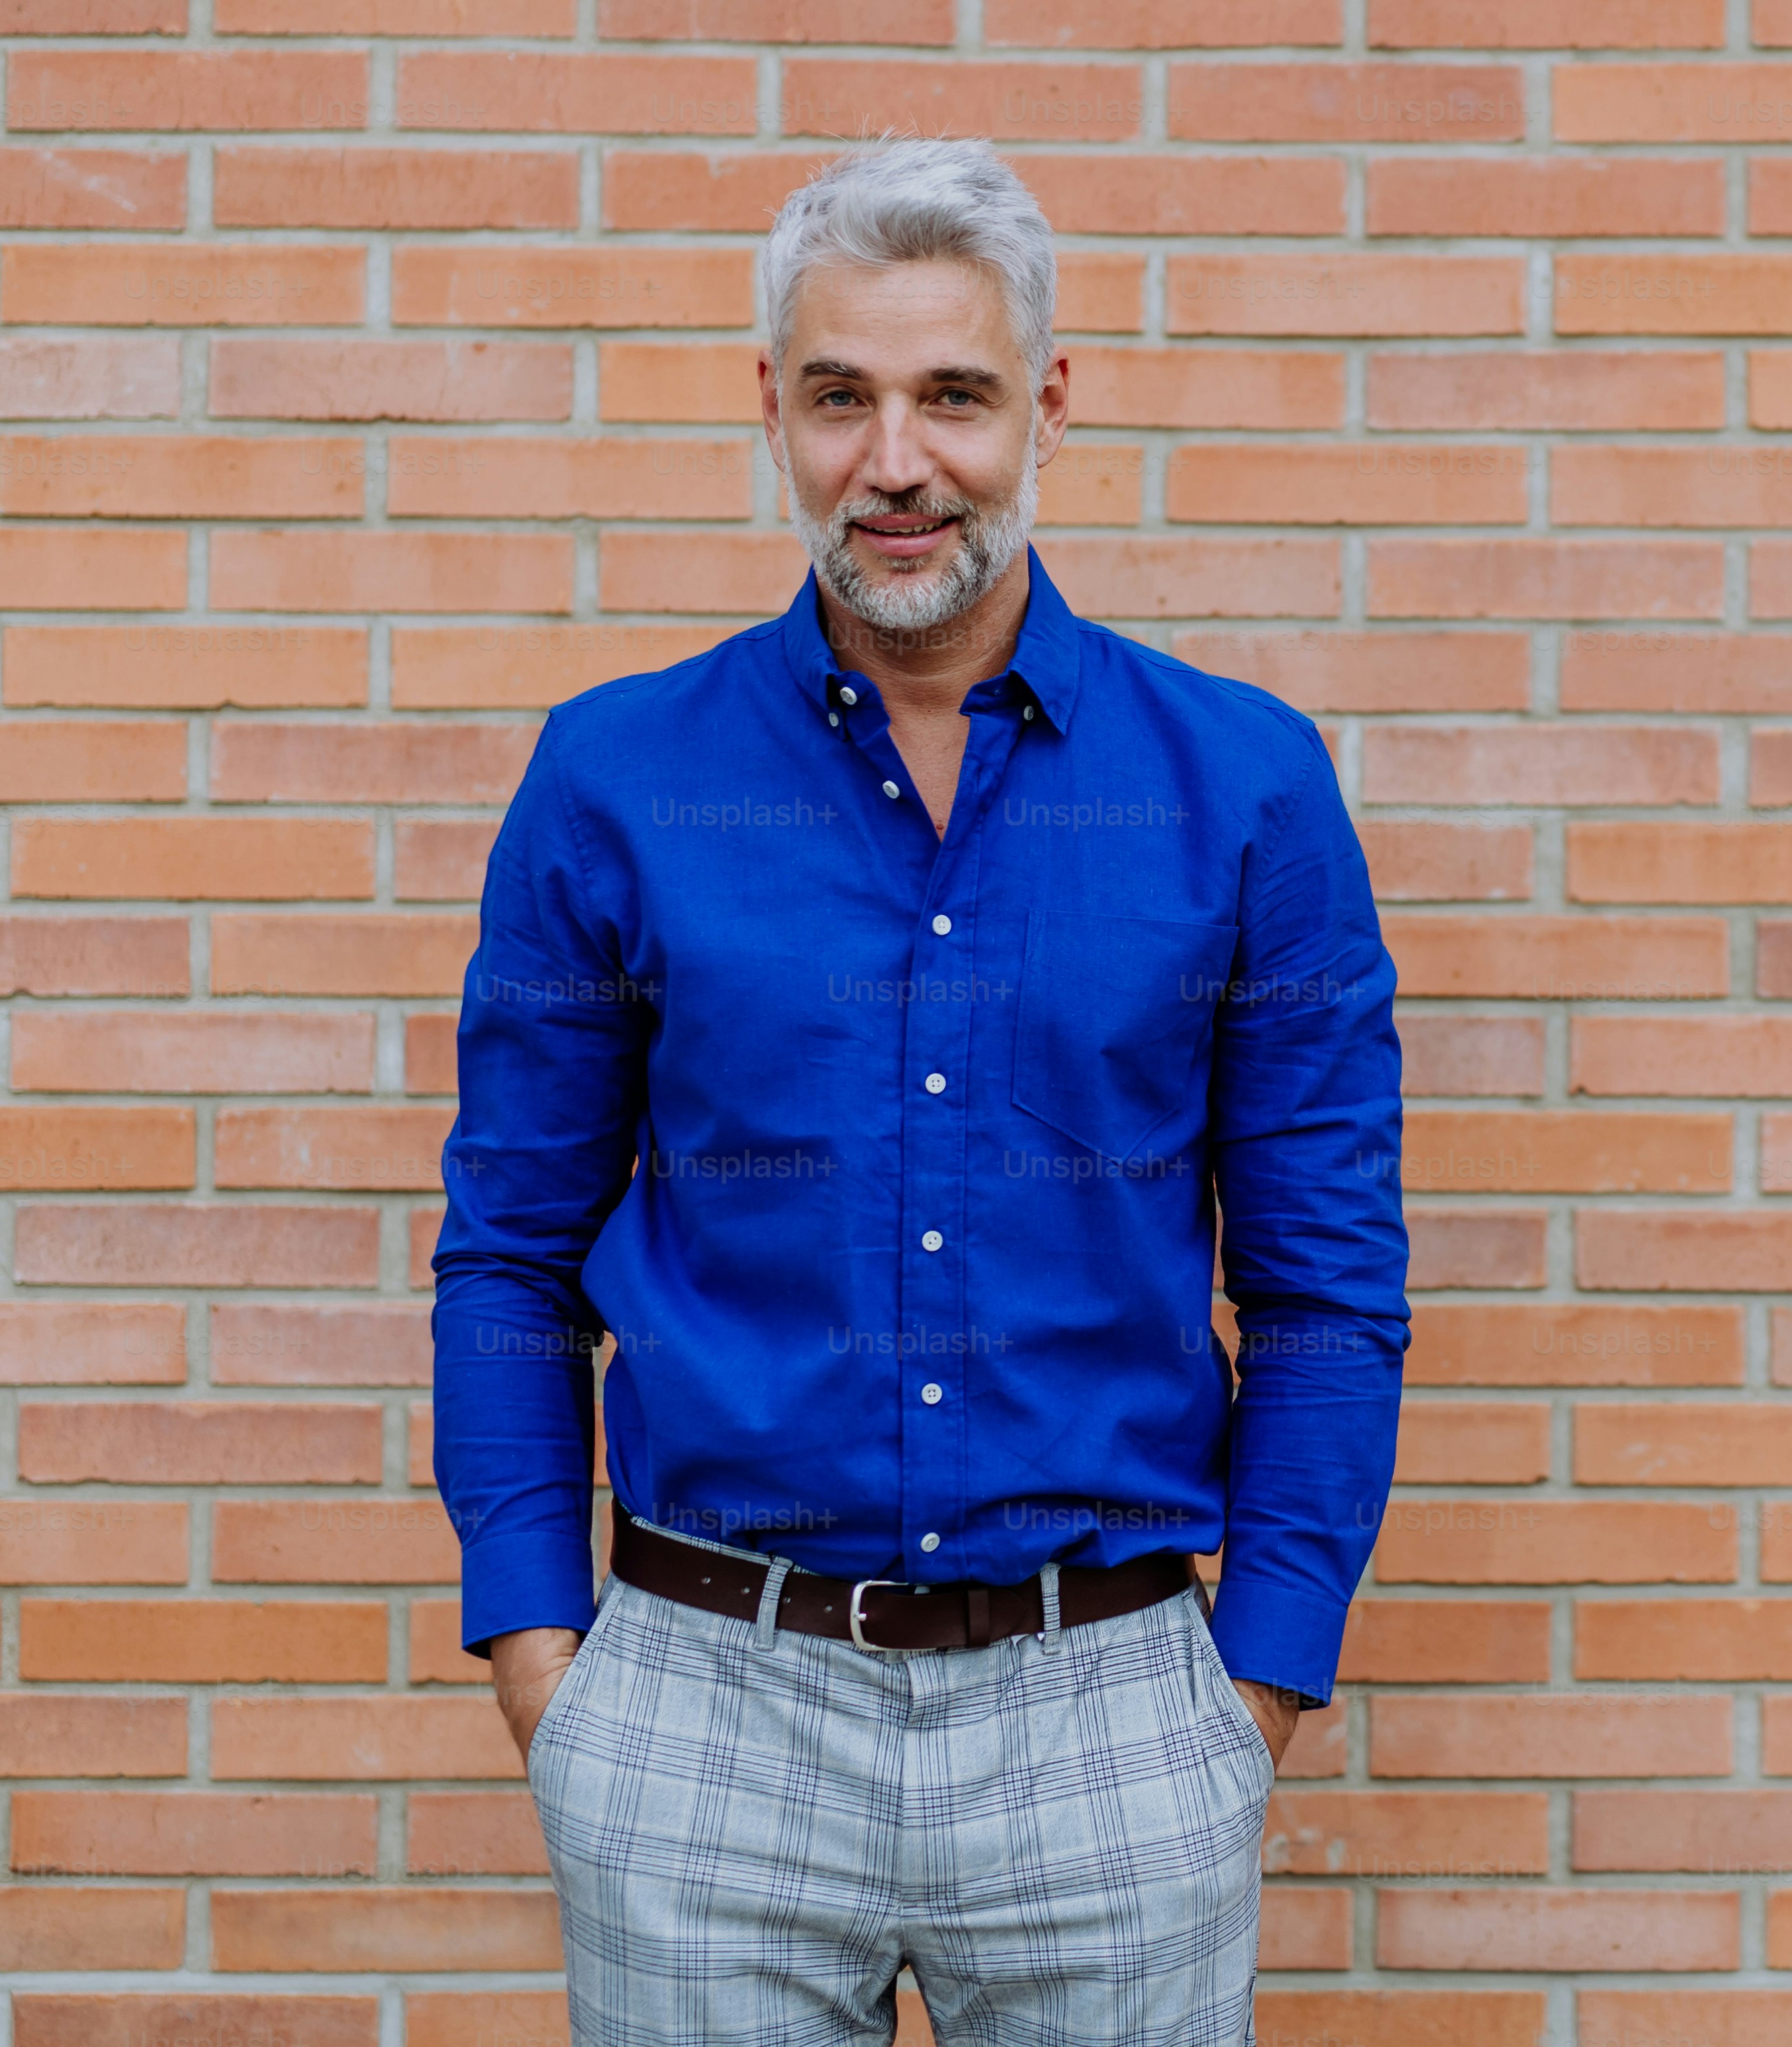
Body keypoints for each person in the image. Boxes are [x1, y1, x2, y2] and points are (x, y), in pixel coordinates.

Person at [429, 132, 1413, 2045]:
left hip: (1107, 1707)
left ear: (1045, 401)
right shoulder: (613, 780)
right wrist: (549, 1666)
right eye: (840, 399)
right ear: (774, 415)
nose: (895, 463)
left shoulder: (1248, 788)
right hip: (706, 1700)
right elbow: (508, 1258)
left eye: (951, 394)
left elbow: (1323, 1287)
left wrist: (1255, 1687)